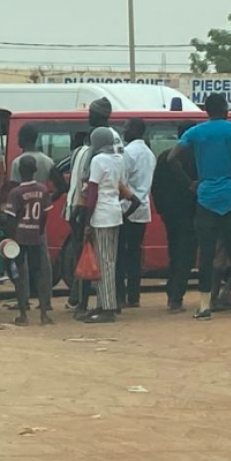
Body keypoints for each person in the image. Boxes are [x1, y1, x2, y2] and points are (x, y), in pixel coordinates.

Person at [169, 93, 231, 321]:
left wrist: (190, 183)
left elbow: (171, 158)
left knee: (207, 254)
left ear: (207, 110)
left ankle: (204, 306)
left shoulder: (196, 132)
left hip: (205, 198)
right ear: (225, 108)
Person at [82, 127, 130, 324]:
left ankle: (107, 307)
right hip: (115, 212)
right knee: (109, 260)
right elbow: (120, 186)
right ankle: (103, 303)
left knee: (104, 263)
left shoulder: (97, 160)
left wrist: (87, 221)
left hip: (101, 215)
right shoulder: (118, 159)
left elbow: (92, 193)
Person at [152, 122, 198, 313]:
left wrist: (161, 210)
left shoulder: (165, 156)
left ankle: (172, 293)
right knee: (186, 255)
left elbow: (155, 187)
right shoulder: (196, 156)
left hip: (170, 214)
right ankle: (176, 297)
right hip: (190, 212)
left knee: (174, 252)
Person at [3, 156, 54, 326]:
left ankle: (23, 314)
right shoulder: (43, 190)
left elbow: (10, 218)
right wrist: (39, 231)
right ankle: (44, 314)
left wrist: (10, 237)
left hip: (20, 237)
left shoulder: (16, 192)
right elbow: (45, 215)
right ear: (35, 170)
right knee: (38, 272)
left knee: (20, 273)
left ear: (19, 171)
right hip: (35, 236)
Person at [116, 118, 156, 309]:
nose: (124, 131)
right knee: (134, 254)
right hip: (142, 210)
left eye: (126, 127)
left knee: (120, 255)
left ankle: (120, 296)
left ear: (134, 130)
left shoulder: (128, 153)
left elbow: (121, 182)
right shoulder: (149, 154)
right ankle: (134, 295)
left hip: (126, 208)